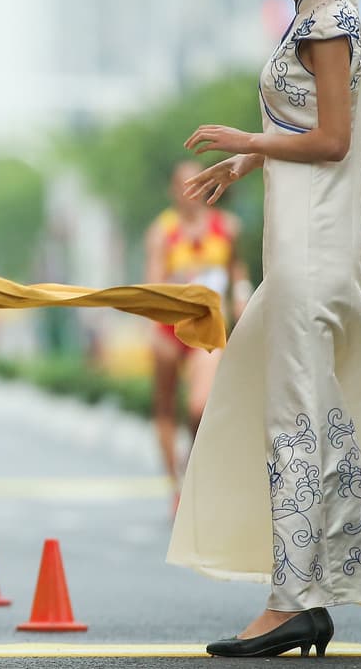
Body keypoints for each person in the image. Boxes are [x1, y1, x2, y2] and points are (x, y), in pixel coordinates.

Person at [166, 0, 361, 657]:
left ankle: (293, 602)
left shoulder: (329, 19)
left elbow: (333, 139)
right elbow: (304, 121)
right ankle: (305, 593)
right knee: (297, 416)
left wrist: (247, 141)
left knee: (295, 423)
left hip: (313, 251)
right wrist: (246, 163)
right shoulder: (314, 13)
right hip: (300, 249)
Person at [144, 160, 249, 510]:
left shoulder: (227, 227)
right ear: (173, 191)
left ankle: (191, 463)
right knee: (165, 404)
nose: (191, 192)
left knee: (199, 405)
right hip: (170, 328)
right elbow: (153, 282)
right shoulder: (162, 232)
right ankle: (175, 488)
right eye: (184, 185)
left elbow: (236, 269)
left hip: (207, 326)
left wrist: (241, 296)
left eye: (197, 184)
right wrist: (153, 327)